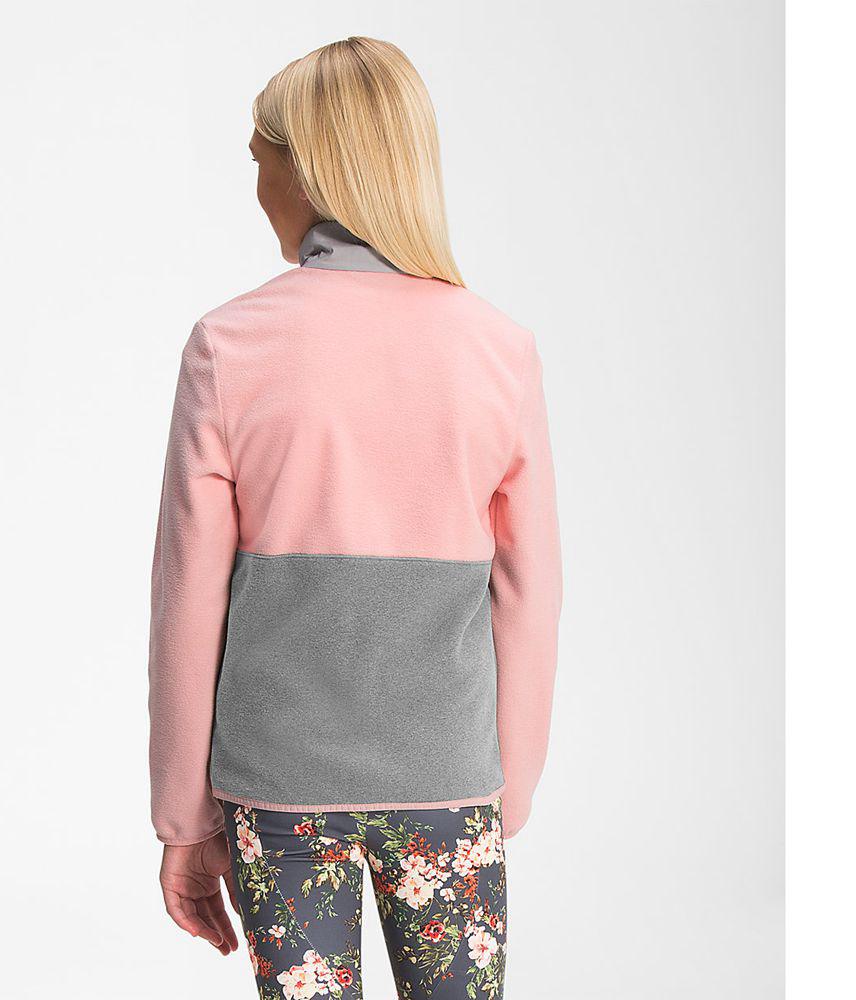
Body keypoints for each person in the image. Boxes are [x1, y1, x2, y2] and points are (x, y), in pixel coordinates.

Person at [149, 36, 562, 1000]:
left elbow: (187, 600)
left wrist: (183, 819)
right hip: (449, 781)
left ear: (306, 169)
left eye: (260, 160)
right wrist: (507, 787)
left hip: (278, 785)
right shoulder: (498, 348)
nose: (257, 189)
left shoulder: (229, 345)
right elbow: (529, 589)